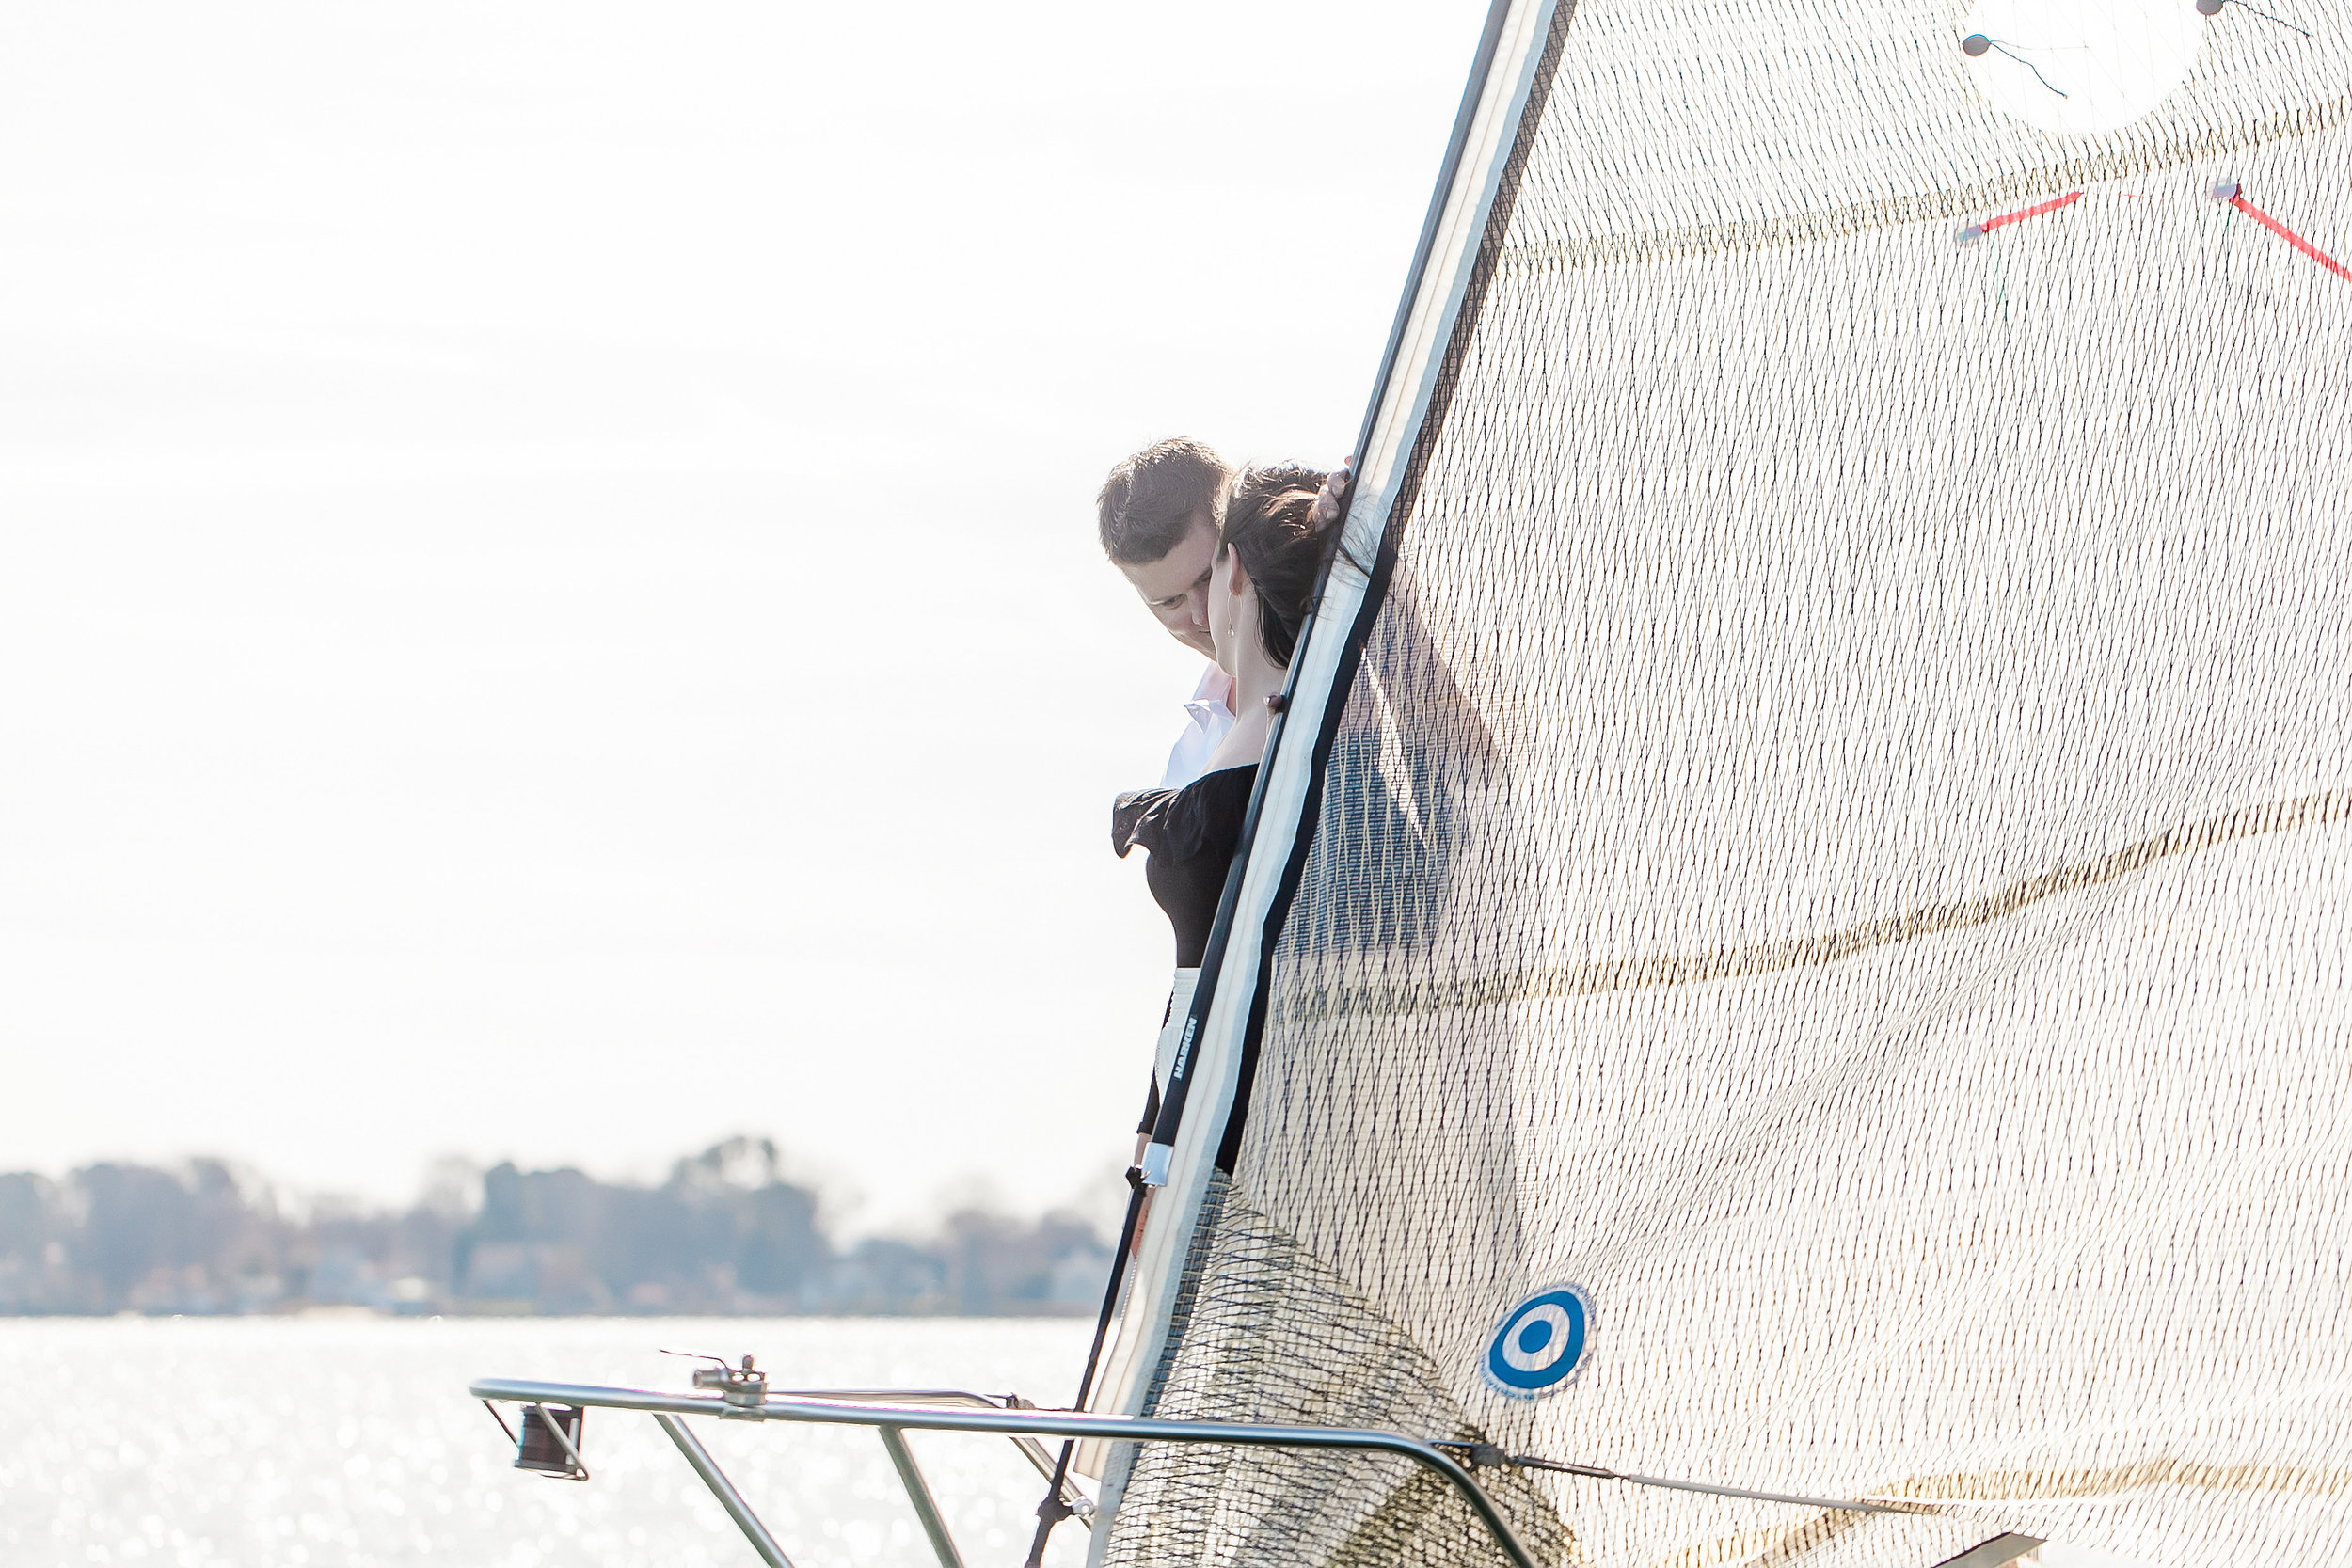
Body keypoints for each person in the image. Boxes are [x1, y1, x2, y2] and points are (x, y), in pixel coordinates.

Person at [1096, 437, 1240, 788]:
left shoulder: (1350, 628)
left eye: (1208, 579)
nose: (1202, 616)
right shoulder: (1187, 766)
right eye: (1170, 602)